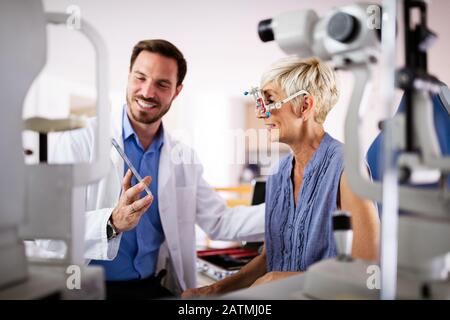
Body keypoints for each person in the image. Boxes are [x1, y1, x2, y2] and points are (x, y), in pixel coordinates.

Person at [47, 39, 265, 299]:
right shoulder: (78, 139)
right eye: (140, 78)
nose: (148, 92)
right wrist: (111, 223)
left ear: (177, 91)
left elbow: (220, 221)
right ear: (128, 77)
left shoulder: (183, 158)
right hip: (86, 290)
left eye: (162, 84)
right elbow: (48, 229)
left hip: (152, 288)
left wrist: (291, 208)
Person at [182, 56, 380, 298]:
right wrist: (214, 290)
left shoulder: (347, 167)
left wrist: (281, 281)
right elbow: (270, 258)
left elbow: (366, 272)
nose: (260, 113)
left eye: (270, 100)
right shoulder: (277, 173)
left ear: (305, 105)